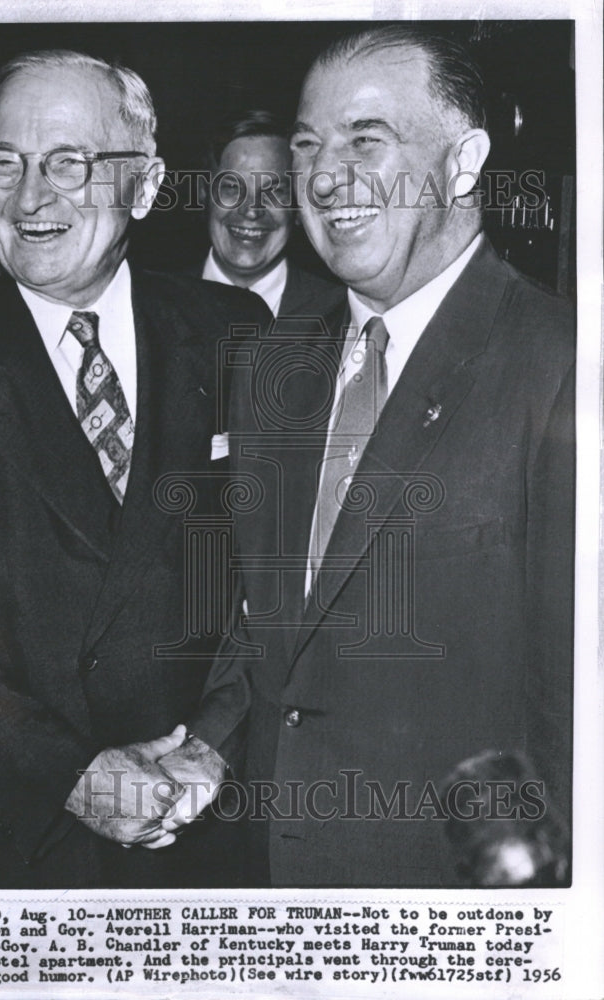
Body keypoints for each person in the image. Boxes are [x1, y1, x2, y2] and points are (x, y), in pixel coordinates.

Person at [152, 25, 575, 887]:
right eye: (308, 145)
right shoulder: (274, 361)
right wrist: (208, 748)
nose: (325, 177)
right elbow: (269, 613)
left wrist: (523, 925)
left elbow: (573, 709)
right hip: (272, 887)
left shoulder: (559, 363)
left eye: (365, 141)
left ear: (463, 163)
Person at [0, 49, 268, 888]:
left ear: (147, 185)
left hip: (204, 827)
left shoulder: (234, 332)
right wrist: (76, 776)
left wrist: (214, 743)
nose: (28, 198)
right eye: (6, 164)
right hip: (16, 842)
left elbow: (281, 578)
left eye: (67, 163)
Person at [196, 110, 344, 319]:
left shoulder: (339, 313)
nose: (251, 210)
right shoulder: (153, 301)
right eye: (232, 188)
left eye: (274, 192)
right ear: (204, 194)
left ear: (298, 206)